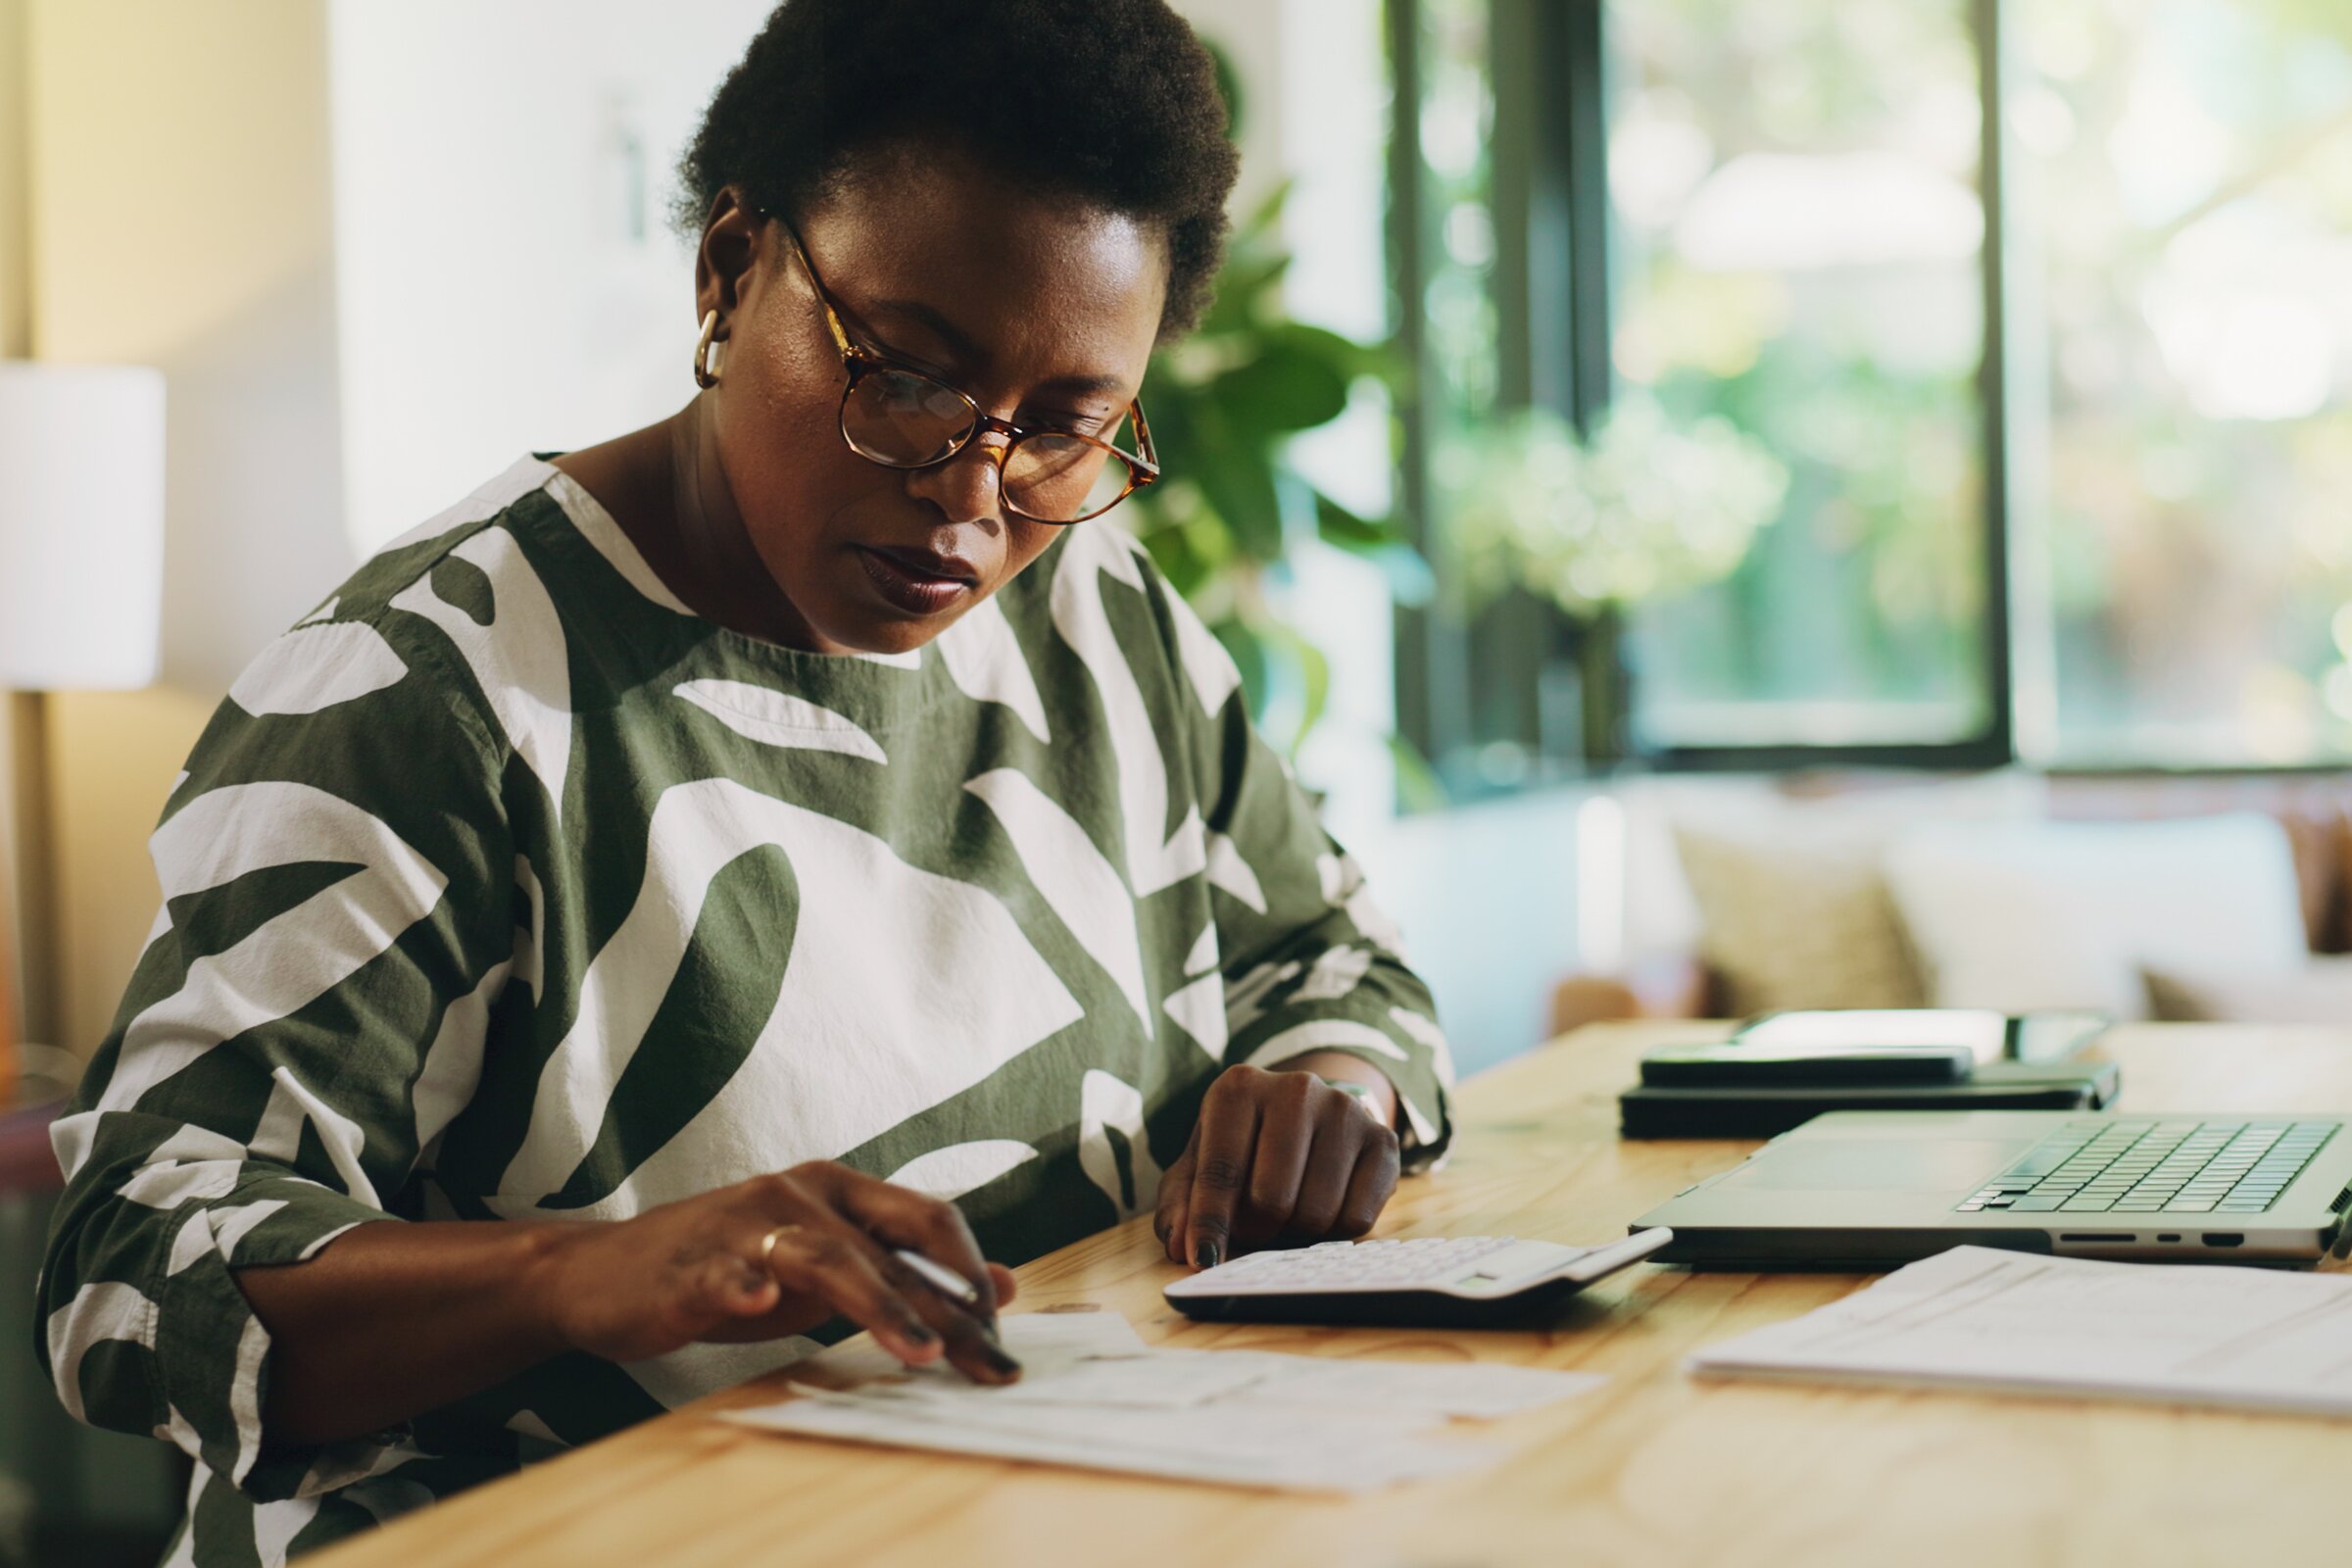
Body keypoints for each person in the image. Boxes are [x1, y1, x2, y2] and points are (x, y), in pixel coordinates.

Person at [37, 1, 1454, 1560]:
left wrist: (1335, 1086)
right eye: (910, 376)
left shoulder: (1098, 617)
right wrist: (591, 1275)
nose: (972, 503)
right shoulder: (432, 693)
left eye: (1066, 426)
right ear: (729, 272)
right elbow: (131, 1269)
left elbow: (1333, 956)